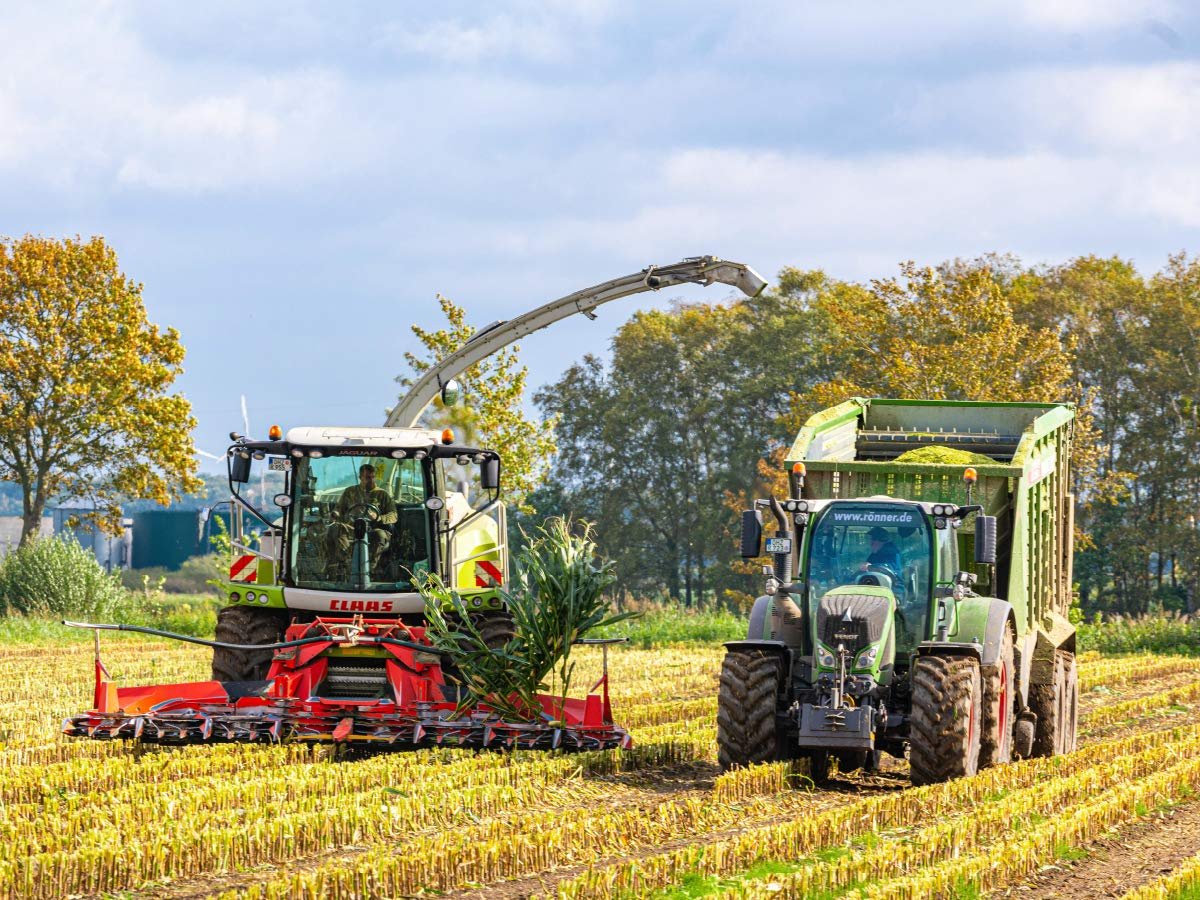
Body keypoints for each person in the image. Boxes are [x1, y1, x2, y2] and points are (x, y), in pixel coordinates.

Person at [331, 463, 398, 570]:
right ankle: (346, 563)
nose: (371, 480)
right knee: (336, 529)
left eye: (373, 477)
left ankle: (370, 569)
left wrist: (378, 517)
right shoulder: (350, 492)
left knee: (380, 535)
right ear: (360, 477)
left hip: (373, 530)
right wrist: (335, 514)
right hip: (352, 528)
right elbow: (339, 509)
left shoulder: (382, 494)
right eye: (367, 477)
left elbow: (393, 515)